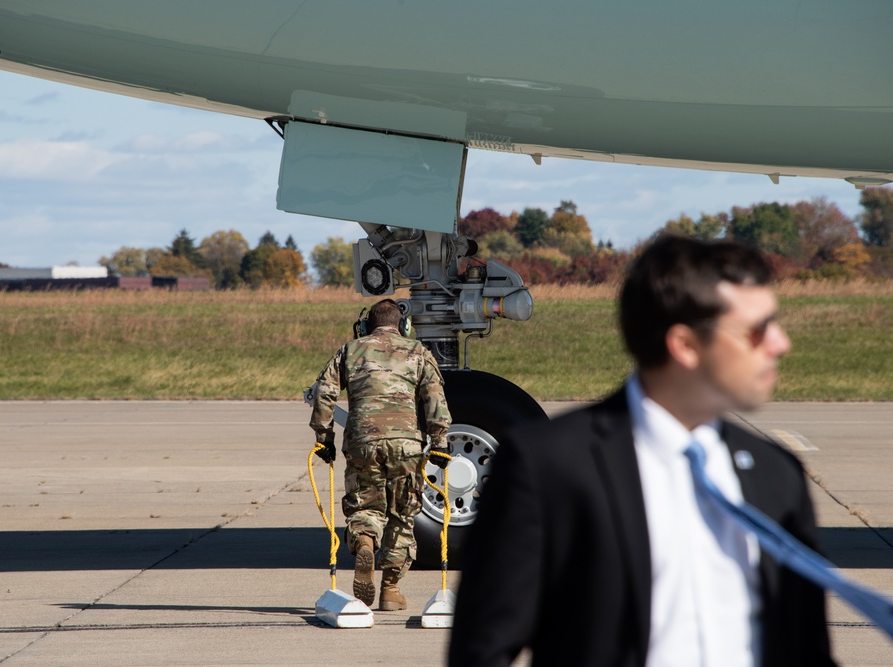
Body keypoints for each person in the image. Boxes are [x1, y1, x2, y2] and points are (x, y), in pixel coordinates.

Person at [448, 235, 837, 666]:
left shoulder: (776, 475)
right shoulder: (548, 467)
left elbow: (808, 652)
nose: (781, 344)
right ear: (685, 346)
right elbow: (481, 650)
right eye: (758, 330)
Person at [310, 298, 451, 611]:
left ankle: (364, 542)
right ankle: (390, 589)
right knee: (402, 513)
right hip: (406, 444)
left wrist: (325, 437)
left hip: (363, 441)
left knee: (365, 505)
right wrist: (439, 442)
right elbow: (434, 399)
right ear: (403, 326)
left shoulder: (350, 350)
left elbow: (324, 392)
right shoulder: (418, 352)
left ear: (366, 326)